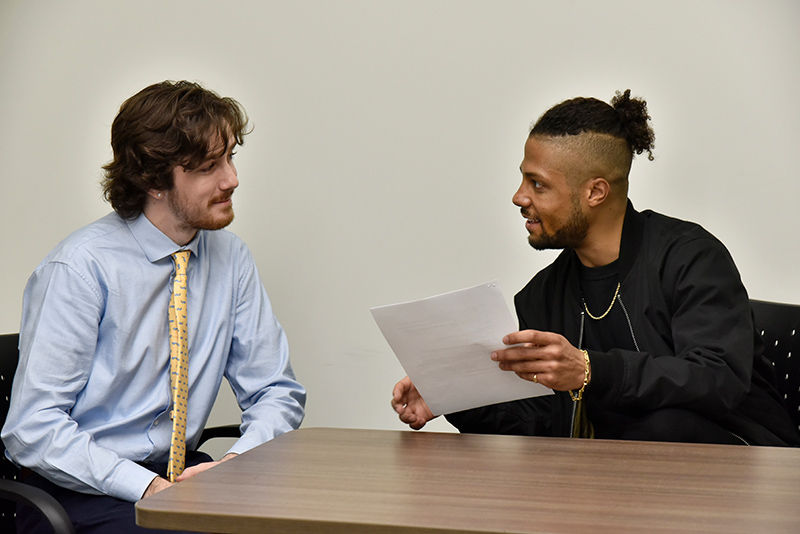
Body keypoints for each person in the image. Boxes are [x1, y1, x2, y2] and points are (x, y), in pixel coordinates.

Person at [391, 90, 800, 447]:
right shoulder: (543, 295)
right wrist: (453, 397)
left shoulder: (691, 258)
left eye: (538, 184)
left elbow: (717, 380)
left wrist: (590, 369)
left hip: (749, 465)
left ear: (595, 192)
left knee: (660, 429)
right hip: (622, 482)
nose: (519, 197)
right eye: (523, 180)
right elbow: (541, 426)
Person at [2, 80, 307, 533]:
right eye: (209, 166)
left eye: (230, 158)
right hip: (82, 488)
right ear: (153, 179)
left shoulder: (231, 258)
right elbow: (33, 427)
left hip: (183, 474)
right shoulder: (80, 268)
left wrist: (236, 463)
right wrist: (145, 487)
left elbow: (276, 391)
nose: (232, 179)